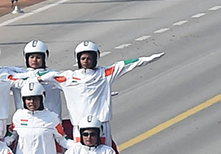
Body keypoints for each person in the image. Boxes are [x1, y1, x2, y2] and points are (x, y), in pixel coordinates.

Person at [32, 42, 163, 140]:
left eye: (89, 58)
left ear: (95, 59)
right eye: (83, 58)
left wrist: (147, 59)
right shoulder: (69, 77)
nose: (86, 61)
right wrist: (39, 79)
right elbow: (51, 76)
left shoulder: (105, 73)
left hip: (101, 125)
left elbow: (125, 64)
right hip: (79, 126)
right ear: (78, 59)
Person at [22, 40, 64, 115]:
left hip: (51, 118)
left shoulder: (52, 75)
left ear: (44, 58)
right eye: (32, 57)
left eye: (38, 57)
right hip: (27, 119)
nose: (34, 60)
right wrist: (39, 79)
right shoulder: (21, 75)